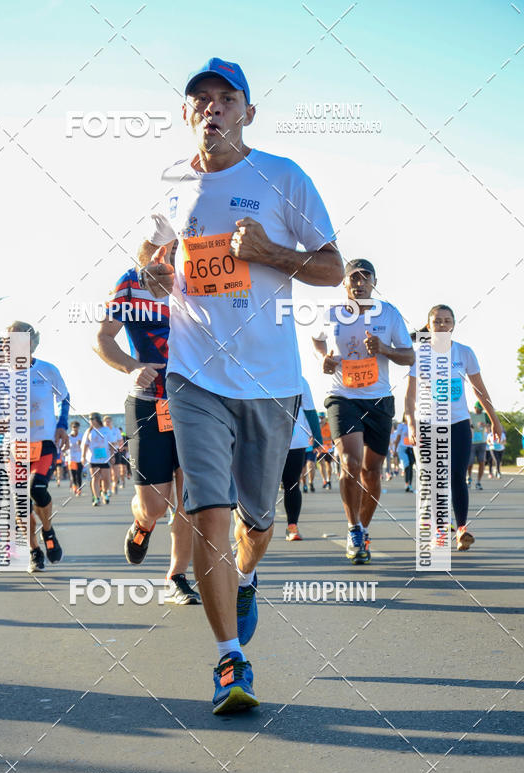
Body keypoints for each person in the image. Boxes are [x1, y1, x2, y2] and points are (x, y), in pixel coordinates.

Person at [138, 57, 343, 712]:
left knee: (255, 520)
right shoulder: (173, 186)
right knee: (208, 512)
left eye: (226, 98)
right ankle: (231, 660)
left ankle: (248, 573)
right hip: (193, 373)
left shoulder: (283, 178)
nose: (212, 107)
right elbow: (150, 254)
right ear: (186, 113)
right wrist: (151, 272)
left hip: (270, 380)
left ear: (248, 112)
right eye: (200, 98)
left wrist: (270, 254)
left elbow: (334, 267)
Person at [94, 266, 201, 606]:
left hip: (196, 403)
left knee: (190, 500)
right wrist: (133, 366)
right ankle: (142, 522)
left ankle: (177, 576)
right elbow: (103, 338)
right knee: (155, 504)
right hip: (148, 404)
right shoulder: (130, 282)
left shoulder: (199, 271)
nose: (164, 255)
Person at [313, 258, 414, 564]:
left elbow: (409, 356)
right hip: (342, 395)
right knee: (350, 461)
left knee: (371, 472)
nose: (359, 282)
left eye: (364, 277)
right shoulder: (331, 314)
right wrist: (324, 359)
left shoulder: (390, 314)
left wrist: (385, 349)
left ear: (374, 282)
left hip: (379, 399)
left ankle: (364, 528)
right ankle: (353, 527)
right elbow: (318, 341)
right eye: (353, 278)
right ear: (344, 284)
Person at [405, 304, 502, 551]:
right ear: (429, 326)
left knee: (457, 476)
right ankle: (439, 529)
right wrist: (411, 423)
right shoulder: (419, 354)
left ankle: (461, 529)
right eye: (437, 321)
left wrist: (495, 419)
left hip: (458, 423)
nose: (442, 325)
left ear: (454, 325)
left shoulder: (464, 353)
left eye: (447, 321)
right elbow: (410, 396)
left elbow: (479, 389)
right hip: (428, 423)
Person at [0, 321, 69, 572]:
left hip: (44, 441)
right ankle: (34, 551)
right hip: (16, 445)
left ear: (33, 342)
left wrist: (62, 425)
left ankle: (47, 529)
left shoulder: (47, 370)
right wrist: (0, 423)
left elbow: (64, 397)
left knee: (37, 488)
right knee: (21, 499)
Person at [283, 377, 323, 541]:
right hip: (265, 439)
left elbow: (309, 410)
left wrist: (318, 438)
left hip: (295, 441)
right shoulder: (260, 371)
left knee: (291, 484)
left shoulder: (299, 380)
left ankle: (292, 527)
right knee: (262, 487)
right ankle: (255, 531)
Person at [81, 414, 112, 505]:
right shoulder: (89, 431)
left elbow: (112, 443)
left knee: (106, 478)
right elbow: (85, 445)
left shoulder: (106, 430)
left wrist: (113, 455)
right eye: (89, 419)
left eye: (91, 419)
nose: (90, 420)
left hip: (104, 457)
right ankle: (97, 498)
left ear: (97, 419)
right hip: (93, 458)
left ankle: (105, 493)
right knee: (95, 478)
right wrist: (83, 457)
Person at [468, 401, 489, 489]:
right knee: (470, 462)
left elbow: (489, 425)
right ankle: (469, 478)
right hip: (472, 442)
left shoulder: (484, 415)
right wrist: (471, 426)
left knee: (482, 462)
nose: (480, 411)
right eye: (479, 409)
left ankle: (478, 482)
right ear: (475, 407)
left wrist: (485, 425)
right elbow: (467, 425)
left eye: (481, 409)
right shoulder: (470, 415)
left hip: (482, 442)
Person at [393, 416, 415, 492]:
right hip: (403, 448)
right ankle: (406, 484)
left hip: (411, 448)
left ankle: (410, 485)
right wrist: (395, 450)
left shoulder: (413, 424)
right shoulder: (401, 426)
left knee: (411, 467)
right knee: (407, 465)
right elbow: (398, 438)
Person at [316, 414, 334, 489]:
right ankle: (324, 480)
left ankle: (328, 480)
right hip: (320, 449)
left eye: (322, 418)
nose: (321, 419)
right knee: (321, 464)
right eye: (319, 418)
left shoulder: (329, 425)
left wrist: (323, 439)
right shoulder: (317, 426)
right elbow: (315, 437)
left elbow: (332, 437)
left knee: (328, 464)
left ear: (325, 418)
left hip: (329, 448)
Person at [67, 421, 84, 495]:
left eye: (76, 427)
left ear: (78, 428)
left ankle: (79, 488)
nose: (75, 428)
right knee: (73, 474)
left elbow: (85, 446)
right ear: (71, 428)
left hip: (79, 457)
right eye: (74, 427)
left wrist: (81, 444)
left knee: (79, 474)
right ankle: (74, 487)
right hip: (71, 458)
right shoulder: (68, 436)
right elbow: (65, 446)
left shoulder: (81, 436)